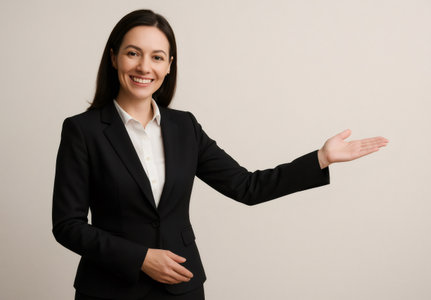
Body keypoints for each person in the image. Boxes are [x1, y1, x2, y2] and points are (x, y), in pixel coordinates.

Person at [52, 9, 388, 300]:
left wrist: (321, 158)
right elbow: (67, 224)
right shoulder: (83, 130)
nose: (144, 66)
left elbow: (247, 186)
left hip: (181, 288)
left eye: (156, 57)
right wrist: (140, 257)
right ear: (114, 58)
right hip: (109, 290)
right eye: (132, 53)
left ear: (169, 65)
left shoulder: (185, 127)